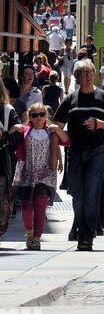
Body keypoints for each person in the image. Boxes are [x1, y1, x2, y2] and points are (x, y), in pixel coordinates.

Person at [50, 59, 104, 251]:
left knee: (91, 194)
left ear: (94, 74)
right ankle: (82, 229)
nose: (86, 77)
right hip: (75, 152)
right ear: (77, 78)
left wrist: (100, 124)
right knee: (78, 195)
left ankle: (86, 236)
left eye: (89, 73)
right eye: (82, 74)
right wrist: (55, 153)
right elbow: (57, 126)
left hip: (97, 151)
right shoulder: (70, 99)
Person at [9, 102, 62, 249]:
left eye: (41, 114)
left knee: (40, 207)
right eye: (35, 115)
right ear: (29, 117)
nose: (38, 118)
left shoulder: (50, 131)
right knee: (27, 207)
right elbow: (12, 131)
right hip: (27, 173)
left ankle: (37, 239)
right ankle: (29, 234)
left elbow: (64, 140)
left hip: (45, 175)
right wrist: (13, 128)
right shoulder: (25, 130)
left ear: (46, 116)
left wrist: (57, 129)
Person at [0, 80, 20, 242]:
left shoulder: (7, 111)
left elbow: (17, 133)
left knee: (3, 209)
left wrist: (6, 136)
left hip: (1, 166)